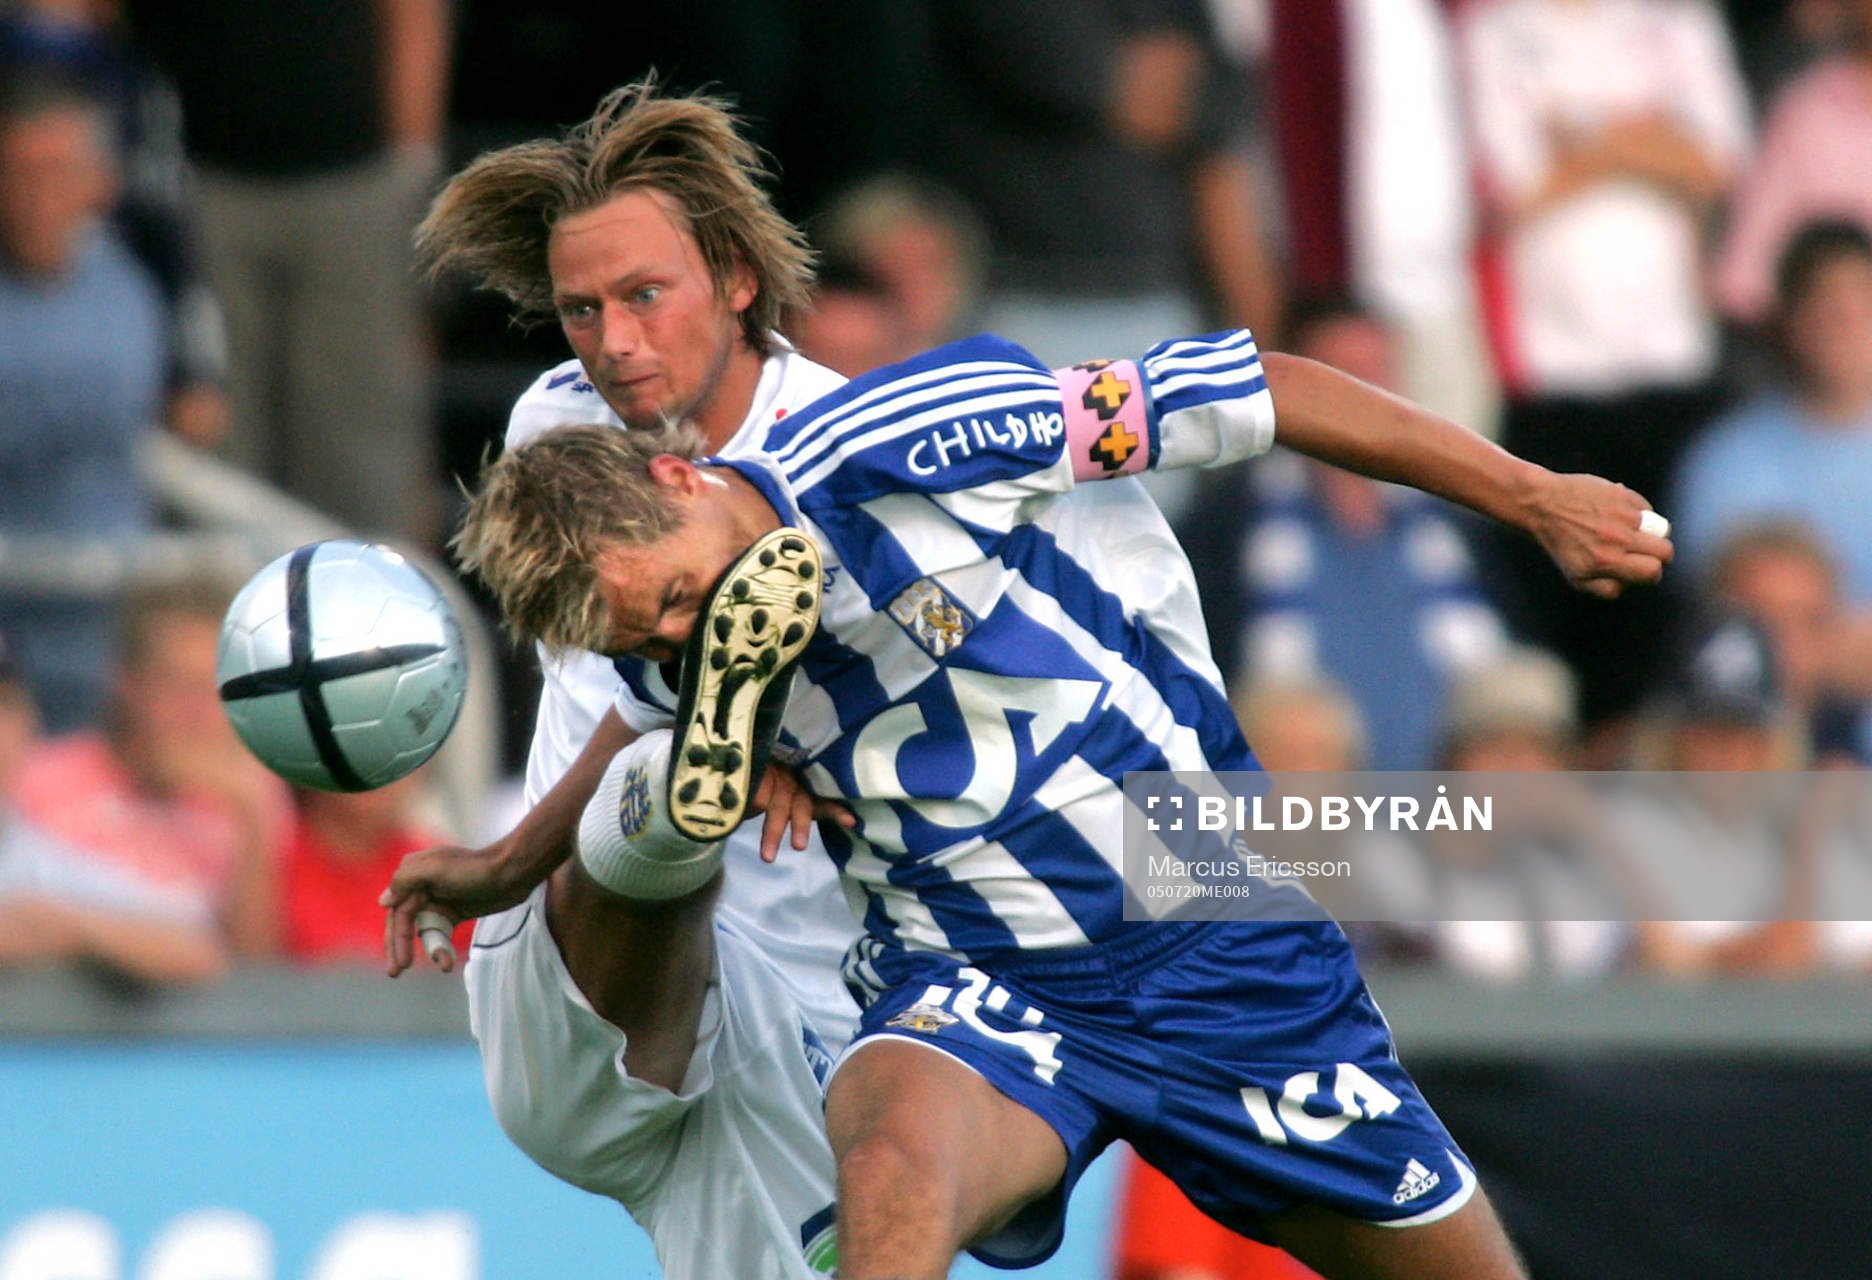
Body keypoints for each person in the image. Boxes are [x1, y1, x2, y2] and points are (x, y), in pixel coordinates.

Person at [446, 318, 1670, 1279]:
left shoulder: (913, 434)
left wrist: (1531, 494)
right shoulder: (653, 653)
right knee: (882, 1161)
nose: (675, 636)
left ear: (677, 473)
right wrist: (505, 864)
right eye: (645, 632)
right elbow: (635, 733)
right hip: (970, 963)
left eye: (669, 598)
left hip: (1206, 916)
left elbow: (1263, 389)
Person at [383, 82, 864, 1280]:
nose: (611, 342)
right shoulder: (563, 427)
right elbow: (618, 698)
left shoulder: (872, 459)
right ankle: (697, 761)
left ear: (738, 277)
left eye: (643, 296)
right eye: (580, 309)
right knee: (657, 757)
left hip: (795, 1029)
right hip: (578, 984)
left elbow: (1245, 391)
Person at [2, 579, 288, 983]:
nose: (198, 712)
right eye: (178, 686)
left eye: (219, 690)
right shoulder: (36, 781)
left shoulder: (252, 800)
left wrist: (253, 822)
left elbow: (257, 981)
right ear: (128, 683)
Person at [0, 71, 166, 731]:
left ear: (99, 181)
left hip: (112, 643)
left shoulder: (124, 290)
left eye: (57, 170)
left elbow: (125, 405)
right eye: (17, 171)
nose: (36, 195)